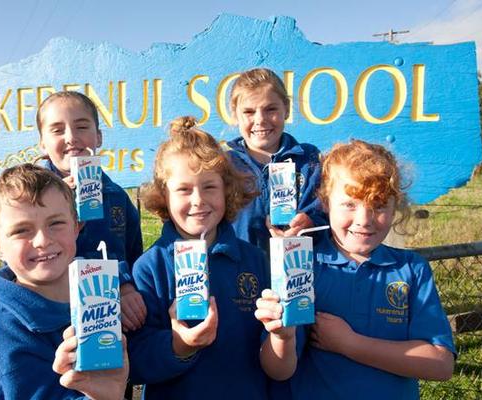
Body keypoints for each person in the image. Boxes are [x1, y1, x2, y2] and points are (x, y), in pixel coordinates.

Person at [262, 139, 456, 399]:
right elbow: (278, 371)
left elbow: (441, 365)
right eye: (350, 204)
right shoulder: (302, 265)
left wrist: (350, 344)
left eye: (378, 205)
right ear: (326, 202)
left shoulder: (412, 269)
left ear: (395, 206)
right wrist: (283, 337)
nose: (364, 220)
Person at [127, 116, 295, 399]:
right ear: (163, 196)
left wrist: (282, 334)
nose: (198, 200)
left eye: (209, 187)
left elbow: (280, 368)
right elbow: (136, 365)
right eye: (183, 189)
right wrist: (180, 345)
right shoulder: (150, 267)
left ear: (227, 191)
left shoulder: (256, 261)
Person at [0, 164, 128, 400]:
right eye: (21, 230)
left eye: (55, 223)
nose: (42, 240)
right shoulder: (8, 333)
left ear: (77, 227)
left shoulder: (96, 292)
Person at [36, 91, 146, 333]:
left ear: (98, 137)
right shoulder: (31, 199)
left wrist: (126, 285)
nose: (71, 137)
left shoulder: (117, 198)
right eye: (57, 130)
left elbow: (131, 254)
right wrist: (54, 203)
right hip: (51, 316)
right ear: (42, 143)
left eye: (81, 127)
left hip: (107, 317)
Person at [225, 67, 325, 253]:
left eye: (271, 109)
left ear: (286, 109)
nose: (260, 120)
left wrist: (309, 224)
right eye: (249, 112)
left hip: (298, 271)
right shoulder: (224, 166)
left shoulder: (309, 160)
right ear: (235, 114)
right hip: (240, 275)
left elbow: (328, 215)